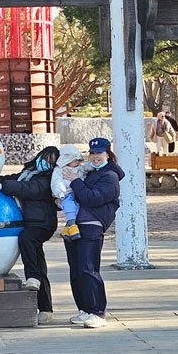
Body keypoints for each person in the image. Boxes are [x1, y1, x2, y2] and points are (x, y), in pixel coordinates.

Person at [63, 137, 123, 329]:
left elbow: (92, 198)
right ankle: (85, 309)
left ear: (108, 154)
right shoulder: (88, 173)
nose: (95, 157)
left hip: (92, 225)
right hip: (75, 226)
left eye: (99, 153)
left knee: (89, 269)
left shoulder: (110, 177)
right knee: (77, 270)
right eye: (93, 153)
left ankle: (97, 311)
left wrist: (76, 182)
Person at [0, 146, 60, 324]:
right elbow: (15, 180)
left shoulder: (49, 179)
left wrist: (1, 186)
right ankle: (45, 308)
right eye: (45, 158)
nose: (47, 163)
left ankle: (32, 277)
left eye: (52, 161)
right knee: (39, 262)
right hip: (30, 222)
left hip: (42, 224)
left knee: (27, 239)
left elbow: (28, 189)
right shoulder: (29, 171)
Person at [50, 145, 92, 241]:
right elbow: (56, 181)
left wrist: (92, 166)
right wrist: (60, 192)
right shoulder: (60, 170)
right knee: (70, 206)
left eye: (78, 160)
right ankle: (72, 225)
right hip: (66, 193)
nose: (77, 162)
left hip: (77, 192)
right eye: (75, 160)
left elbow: (86, 168)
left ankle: (67, 229)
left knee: (77, 208)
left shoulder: (79, 168)